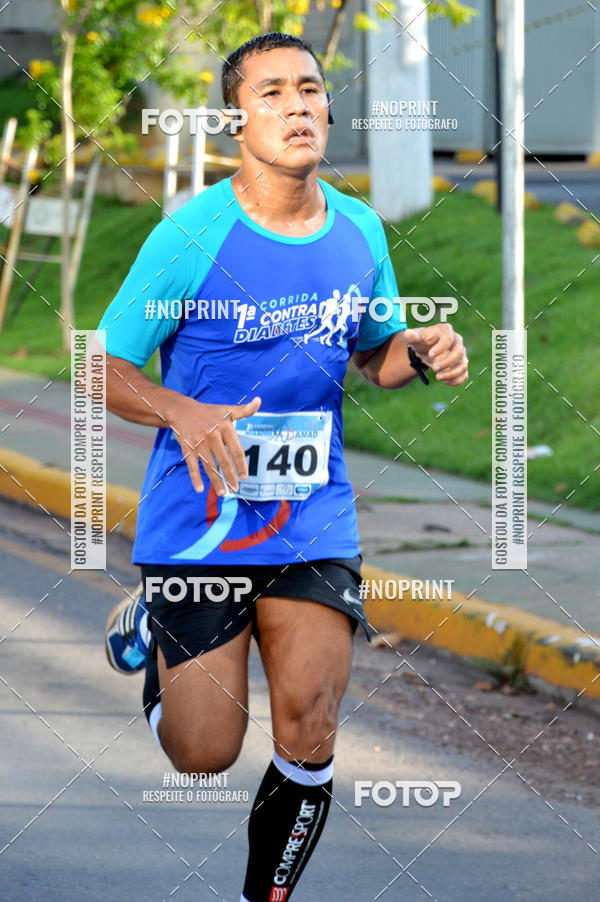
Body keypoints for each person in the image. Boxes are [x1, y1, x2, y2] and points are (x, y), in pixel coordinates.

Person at [99, 32, 468, 902]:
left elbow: (370, 354)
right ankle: (154, 625)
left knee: (309, 723)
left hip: (312, 515)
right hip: (200, 522)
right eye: (272, 93)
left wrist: (414, 347)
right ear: (237, 120)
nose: (298, 105)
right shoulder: (193, 231)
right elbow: (101, 366)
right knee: (205, 751)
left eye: (309, 89)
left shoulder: (360, 227)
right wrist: (182, 411)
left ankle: (263, 897)